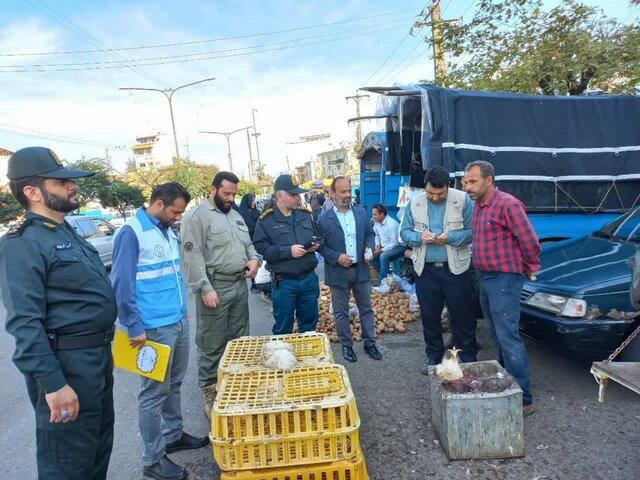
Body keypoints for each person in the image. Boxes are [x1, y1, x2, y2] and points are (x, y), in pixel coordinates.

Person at [0, 147, 117, 479]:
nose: (71, 186)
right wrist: (53, 383)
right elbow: (24, 323)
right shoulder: (22, 243)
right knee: (66, 463)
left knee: (96, 449)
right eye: (61, 182)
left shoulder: (65, 231)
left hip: (95, 358)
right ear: (32, 192)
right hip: (67, 366)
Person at [111, 182, 208, 480]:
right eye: (175, 211)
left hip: (176, 321)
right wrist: (133, 325)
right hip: (151, 329)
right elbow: (121, 283)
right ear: (157, 202)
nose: (178, 217)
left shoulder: (165, 230)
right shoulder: (131, 232)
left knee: (174, 383)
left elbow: (171, 275)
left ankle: (173, 435)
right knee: (153, 394)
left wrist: (182, 312)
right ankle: (153, 460)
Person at [180, 171, 262, 418]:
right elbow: (192, 256)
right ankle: (210, 394)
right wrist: (204, 288)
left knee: (240, 340)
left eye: (233, 194)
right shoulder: (197, 217)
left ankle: (236, 386)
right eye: (226, 193)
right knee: (211, 343)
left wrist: (254, 260)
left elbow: (249, 245)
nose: (230, 198)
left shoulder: (236, 215)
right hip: (215, 287)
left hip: (239, 286)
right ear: (213, 189)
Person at [463, 160, 540, 416]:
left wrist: (530, 266)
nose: (467, 187)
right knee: (496, 334)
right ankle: (507, 384)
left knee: (508, 337)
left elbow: (529, 238)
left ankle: (524, 398)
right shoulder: (477, 205)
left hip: (504, 279)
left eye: (472, 181)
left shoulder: (507, 204)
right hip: (485, 277)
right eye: (465, 181)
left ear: (489, 180)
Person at [400, 166, 478, 375]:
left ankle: (466, 359)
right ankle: (433, 358)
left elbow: (472, 232)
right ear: (425, 186)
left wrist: (448, 238)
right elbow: (405, 232)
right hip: (426, 271)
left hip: (456, 270)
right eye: (430, 193)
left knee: (461, 317)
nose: (435, 198)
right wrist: (419, 238)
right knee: (430, 317)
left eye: (440, 194)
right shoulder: (415, 202)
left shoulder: (462, 200)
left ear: (448, 187)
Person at [318, 176, 382, 362]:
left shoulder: (361, 213)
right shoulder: (323, 219)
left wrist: (369, 249)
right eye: (342, 191)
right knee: (340, 311)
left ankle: (370, 343)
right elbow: (320, 246)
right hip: (338, 271)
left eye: (348, 191)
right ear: (332, 193)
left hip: (361, 268)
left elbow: (370, 235)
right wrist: (336, 257)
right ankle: (347, 346)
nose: (347, 195)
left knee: (366, 309)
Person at [253, 174, 322, 335]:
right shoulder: (266, 221)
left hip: (308, 279)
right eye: (293, 195)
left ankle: (308, 358)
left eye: (297, 194)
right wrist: (288, 251)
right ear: (279, 196)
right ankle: (282, 359)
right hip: (285, 283)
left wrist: (317, 245)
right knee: (283, 327)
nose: (297, 198)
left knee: (309, 326)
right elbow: (261, 248)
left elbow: (320, 236)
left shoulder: (304, 215)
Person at [370, 203, 406, 281]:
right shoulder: (376, 223)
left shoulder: (391, 224)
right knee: (371, 257)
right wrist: (377, 245)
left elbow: (395, 243)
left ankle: (383, 280)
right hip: (385, 247)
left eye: (374, 215)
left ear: (382, 214)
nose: (373, 217)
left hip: (398, 247)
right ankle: (389, 276)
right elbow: (376, 234)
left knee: (383, 256)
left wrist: (381, 250)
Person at [238, 194, 261, 293]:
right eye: (252, 200)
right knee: (251, 262)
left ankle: (261, 282)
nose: (254, 202)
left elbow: (259, 220)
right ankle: (254, 283)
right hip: (248, 241)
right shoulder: (241, 213)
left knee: (259, 261)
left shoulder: (254, 210)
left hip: (257, 240)